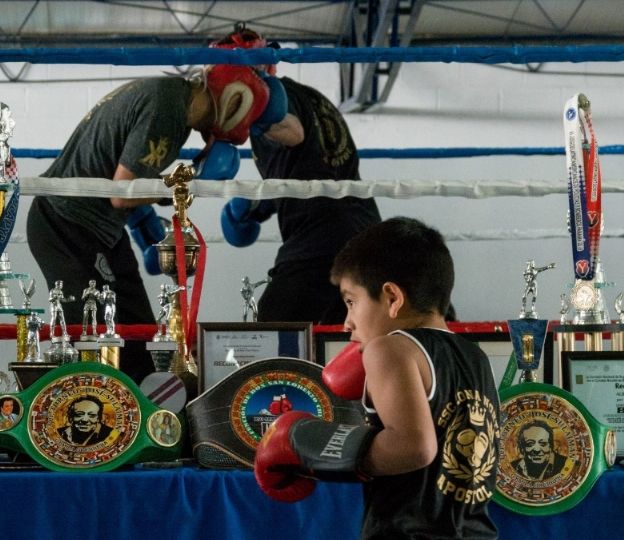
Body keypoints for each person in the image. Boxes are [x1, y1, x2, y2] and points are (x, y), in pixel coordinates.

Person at [254, 217, 500, 539]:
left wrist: (304, 444)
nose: (347, 323)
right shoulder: (474, 356)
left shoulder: (388, 349)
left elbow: (414, 447)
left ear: (392, 298)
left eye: (351, 302)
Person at [26, 65, 271, 383]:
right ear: (233, 102)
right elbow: (124, 193)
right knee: (90, 336)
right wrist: (187, 183)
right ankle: (90, 421)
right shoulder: (167, 109)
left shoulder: (168, 98)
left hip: (98, 228)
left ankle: (145, 422)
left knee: (138, 331)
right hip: (67, 222)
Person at [214, 25, 381, 325]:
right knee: (343, 332)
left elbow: (294, 133)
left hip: (317, 239)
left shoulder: (272, 102)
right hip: (367, 230)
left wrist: (252, 105)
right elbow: (310, 166)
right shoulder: (312, 97)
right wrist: (256, 207)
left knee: (273, 327)